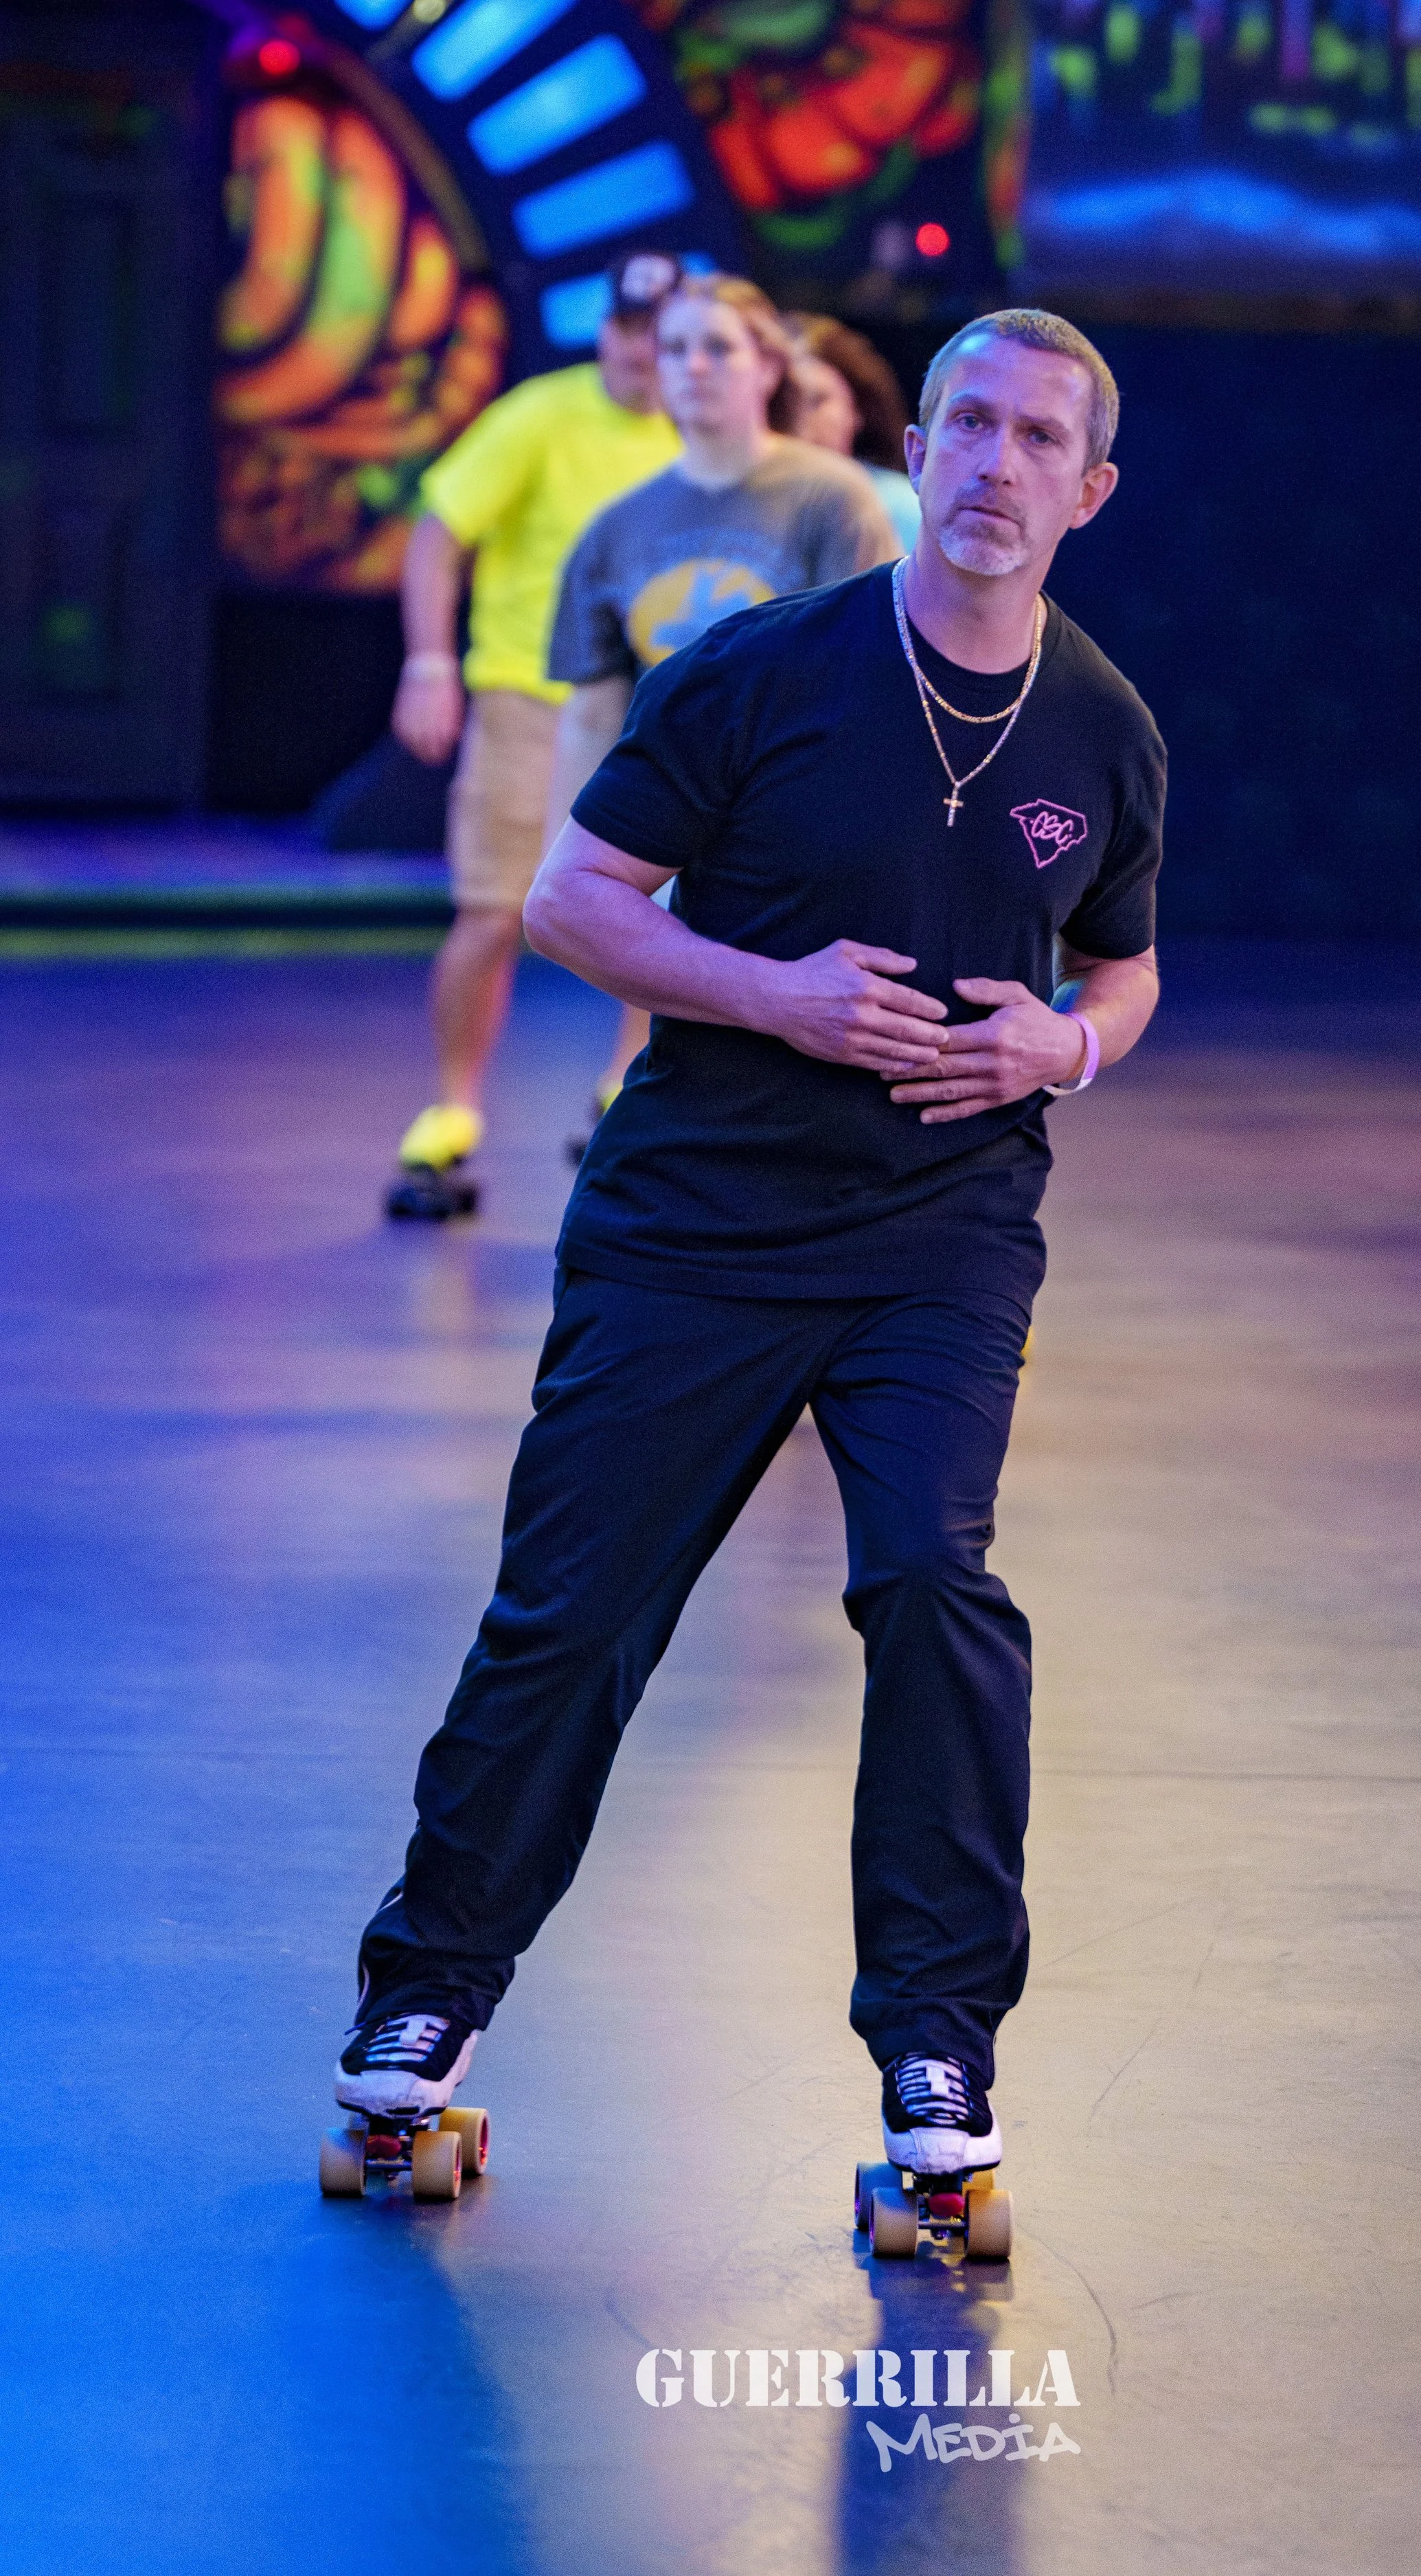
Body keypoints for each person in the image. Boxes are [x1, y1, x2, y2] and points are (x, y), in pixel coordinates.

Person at [334, 309, 1164, 2200]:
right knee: (574, 1614)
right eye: (966, 421)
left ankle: (938, 2051)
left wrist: (1074, 1041)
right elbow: (570, 900)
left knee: (936, 1591)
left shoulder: (1102, 723)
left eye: (1039, 437)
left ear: (1084, 491)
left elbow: (1119, 958)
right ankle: (426, 1993)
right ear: (916, 450)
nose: (995, 461)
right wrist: (774, 996)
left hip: (941, 1229)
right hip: (697, 1218)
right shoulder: (758, 673)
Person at [546, 273, 900, 1153]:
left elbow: (879, 676)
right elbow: (594, 709)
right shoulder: (616, 528)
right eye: (674, 349)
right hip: (671, 820)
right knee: (689, 1051)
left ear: (765, 365)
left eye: (717, 347)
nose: (693, 367)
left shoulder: (832, 498)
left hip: (801, 821)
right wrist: (574, 854)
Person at [384, 251, 684, 1222]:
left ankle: (623, 1090)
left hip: (652, 709)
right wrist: (430, 662)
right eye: (630, 328)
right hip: (529, 692)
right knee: (491, 910)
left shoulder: (705, 433)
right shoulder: (542, 416)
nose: (644, 351)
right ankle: (452, 1107)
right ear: (606, 330)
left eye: (663, 332)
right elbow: (441, 527)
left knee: (663, 915)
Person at [786, 310, 922, 552]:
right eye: (785, 402)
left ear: (857, 410)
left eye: (818, 400)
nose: (799, 418)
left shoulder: (906, 510)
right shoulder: (744, 503)